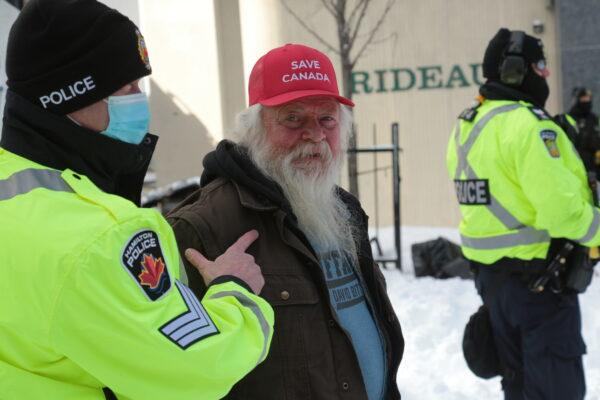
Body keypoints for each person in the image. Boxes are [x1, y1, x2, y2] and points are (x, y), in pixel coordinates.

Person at [0, 1, 273, 399]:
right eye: (126, 87)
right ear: (69, 97)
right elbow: (195, 370)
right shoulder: (100, 239)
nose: (139, 99)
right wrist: (234, 290)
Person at [167, 43, 404, 400]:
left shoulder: (342, 210)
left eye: (327, 118)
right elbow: (176, 374)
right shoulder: (202, 228)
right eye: (293, 118)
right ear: (253, 129)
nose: (315, 134)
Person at [447, 28, 598, 400]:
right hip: (539, 286)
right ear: (516, 70)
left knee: (517, 385)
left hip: (494, 284)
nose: (545, 74)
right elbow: (563, 214)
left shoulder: (466, 127)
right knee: (555, 391)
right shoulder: (529, 126)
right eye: (540, 64)